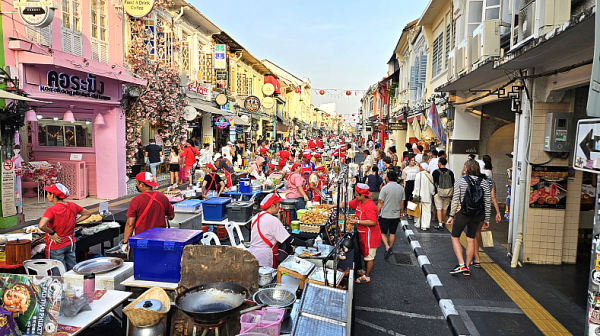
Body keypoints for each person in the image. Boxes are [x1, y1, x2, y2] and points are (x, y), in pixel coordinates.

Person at [447, 161, 492, 276]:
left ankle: (461, 264)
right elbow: (487, 202)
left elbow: (455, 199)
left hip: (462, 213)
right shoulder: (485, 183)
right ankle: (466, 267)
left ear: (466, 169)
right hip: (477, 214)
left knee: (455, 237)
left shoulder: (461, 180)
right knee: (471, 239)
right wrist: (486, 219)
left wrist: (451, 215)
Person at [329, 184, 381, 283]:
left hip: (371, 235)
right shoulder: (359, 201)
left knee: (369, 257)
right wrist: (333, 206)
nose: (355, 196)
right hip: (363, 233)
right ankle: (364, 270)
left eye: (357, 195)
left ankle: (367, 276)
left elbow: (373, 221)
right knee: (365, 255)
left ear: (363, 195)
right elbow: (346, 204)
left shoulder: (369, 205)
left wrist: (357, 222)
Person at [249, 193, 313, 268]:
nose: (279, 208)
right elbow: (289, 239)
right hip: (266, 256)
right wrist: (306, 243)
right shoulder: (273, 220)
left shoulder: (256, 217)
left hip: (252, 253)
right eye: (278, 205)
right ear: (272, 206)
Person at [38, 183, 91, 272]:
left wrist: (52, 233)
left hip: (56, 245)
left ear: (53, 196)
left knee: (58, 273)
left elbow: (41, 225)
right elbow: (87, 213)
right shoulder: (73, 206)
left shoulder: (51, 210)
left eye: (48, 193)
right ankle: (74, 284)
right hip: (70, 243)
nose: (47, 195)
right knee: (72, 270)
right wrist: (74, 222)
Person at [121, 172, 175, 254]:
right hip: (161, 239)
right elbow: (171, 216)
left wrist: (125, 242)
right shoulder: (162, 197)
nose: (137, 186)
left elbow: (130, 224)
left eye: (137, 183)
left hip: (142, 241)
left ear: (141, 184)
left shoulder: (136, 200)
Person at [377, 171, 404, 259]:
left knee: (382, 232)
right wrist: (401, 212)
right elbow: (402, 202)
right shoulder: (401, 188)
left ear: (387, 178)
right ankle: (390, 248)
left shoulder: (385, 188)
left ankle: (387, 246)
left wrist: (376, 212)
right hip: (395, 214)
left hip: (385, 214)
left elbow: (381, 202)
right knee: (393, 233)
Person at [432, 157, 455, 229]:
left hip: (438, 192)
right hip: (448, 193)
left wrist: (432, 193)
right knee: (445, 208)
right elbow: (453, 184)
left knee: (439, 208)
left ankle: (440, 224)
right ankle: (442, 222)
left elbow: (433, 183)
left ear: (440, 163)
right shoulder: (450, 172)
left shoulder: (435, 172)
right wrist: (452, 193)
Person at [413, 165, 435, 230]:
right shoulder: (429, 176)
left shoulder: (418, 175)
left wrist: (414, 194)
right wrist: (432, 193)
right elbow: (432, 187)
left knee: (418, 210)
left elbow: (416, 186)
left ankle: (417, 223)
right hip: (427, 196)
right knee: (427, 211)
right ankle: (425, 225)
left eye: (420, 167)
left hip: (419, 196)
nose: (420, 168)